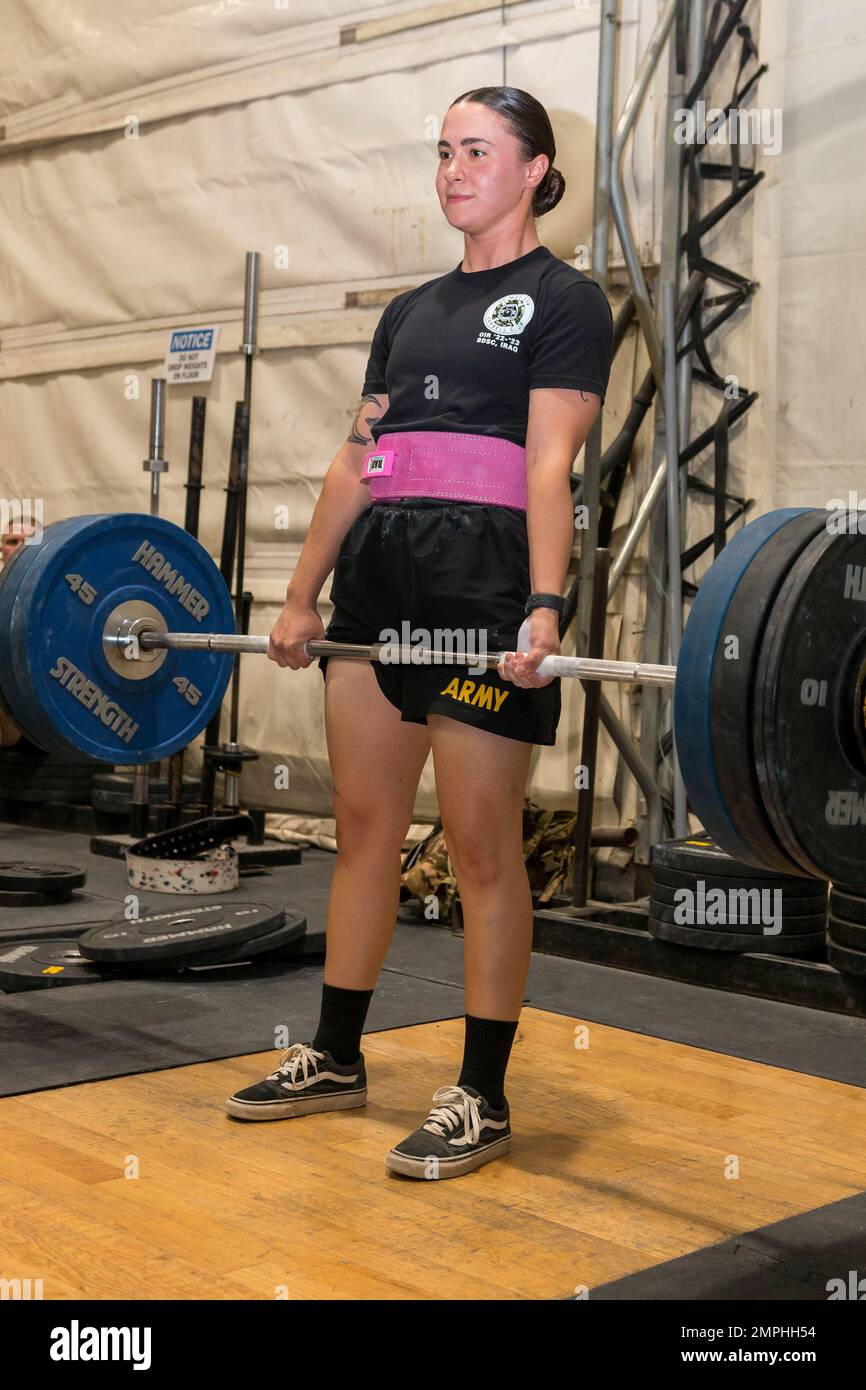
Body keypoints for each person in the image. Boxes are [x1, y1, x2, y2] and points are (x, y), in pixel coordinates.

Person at [226, 86, 614, 1180]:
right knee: (361, 828)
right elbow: (360, 459)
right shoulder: (408, 312)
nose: (451, 170)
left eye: (476, 150)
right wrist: (301, 598)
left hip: (483, 591)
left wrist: (543, 603)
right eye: (442, 151)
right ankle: (337, 1055)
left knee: (482, 850)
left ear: (536, 168)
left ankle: (482, 1095)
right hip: (379, 581)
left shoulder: (563, 301)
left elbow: (548, 464)